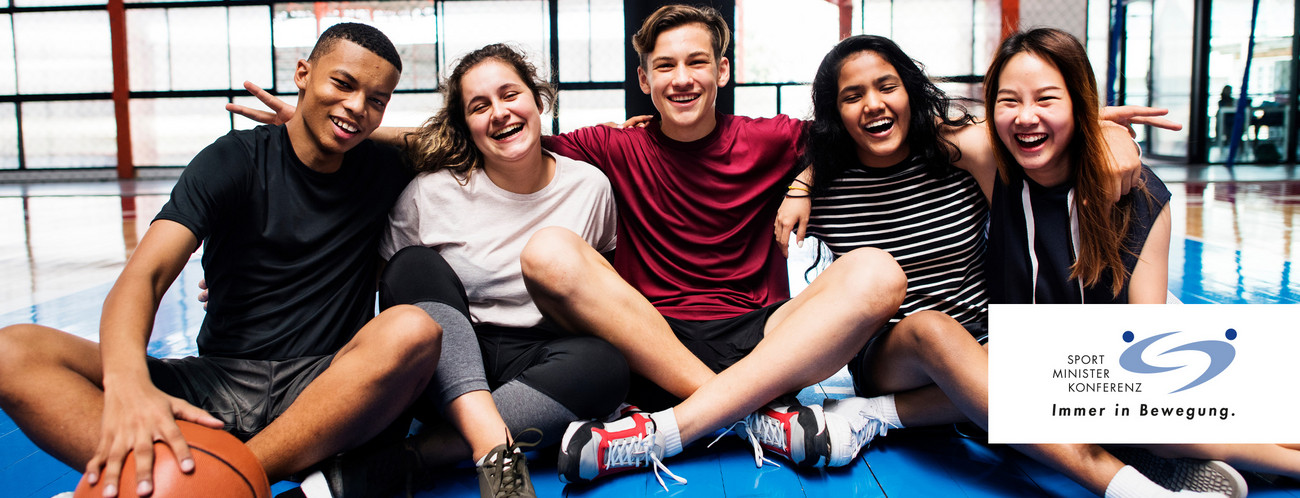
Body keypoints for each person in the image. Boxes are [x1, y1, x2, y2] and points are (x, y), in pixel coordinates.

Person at [774, 34, 1242, 498]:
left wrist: (1105, 131)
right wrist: (803, 183)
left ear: (909, 92)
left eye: (886, 87)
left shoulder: (954, 154)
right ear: (835, 112)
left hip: (988, 342)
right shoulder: (827, 187)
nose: (872, 104)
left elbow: (1023, 123)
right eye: (852, 96)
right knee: (933, 330)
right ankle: (1130, 486)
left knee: (1098, 358)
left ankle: (1213, 446)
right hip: (895, 353)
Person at [0, 23, 446, 498]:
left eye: (377, 100)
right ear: (303, 72)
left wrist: (347, 121)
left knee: (413, 331)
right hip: (219, 384)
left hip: (326, 390)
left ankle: (214, 481)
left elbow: (461, 134)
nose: (358, 106)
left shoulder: (382, 166)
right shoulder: (233, 160)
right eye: (342, 84)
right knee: (13, 351)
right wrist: (129, 383)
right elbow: (147, 276)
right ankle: (179, 472)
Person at [986, 26, 1300, 493]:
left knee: (1161, 421)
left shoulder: (1141, 193)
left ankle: (1269, 456)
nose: (1025, 116)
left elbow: (1147, 344)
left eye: (1048, 99)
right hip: (1053, 373)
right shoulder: (991, 170)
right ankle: (1213, 450)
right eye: (1008, 101)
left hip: (1131, 356)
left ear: (1079, 102)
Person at [342, 42, 630, 497]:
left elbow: (600, 295)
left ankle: (413, 456)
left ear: (539, 100)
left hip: (538, 363)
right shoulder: (430, 192)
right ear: (466, 126)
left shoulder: (589, 187)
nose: (499, 112)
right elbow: (389, 288)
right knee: (414, 264)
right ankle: (494, 450)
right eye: (480, 106)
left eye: (510, 95)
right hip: (447, 361)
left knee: (609, 363)